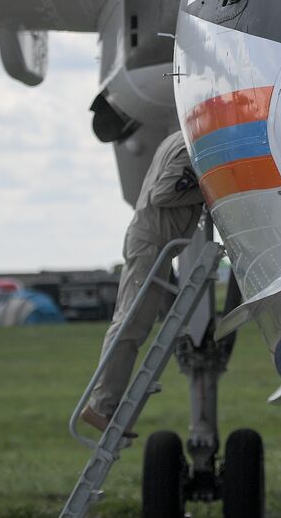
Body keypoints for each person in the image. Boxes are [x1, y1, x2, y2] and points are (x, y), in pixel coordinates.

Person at [80, 130, 206, 434]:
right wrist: (208, 190)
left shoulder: (177, 138)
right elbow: (162, 194)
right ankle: (100, 406)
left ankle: (103, 404)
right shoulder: (190, 147)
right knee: (129, 324)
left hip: (153, 243)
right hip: (152, 245)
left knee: (131, 324)